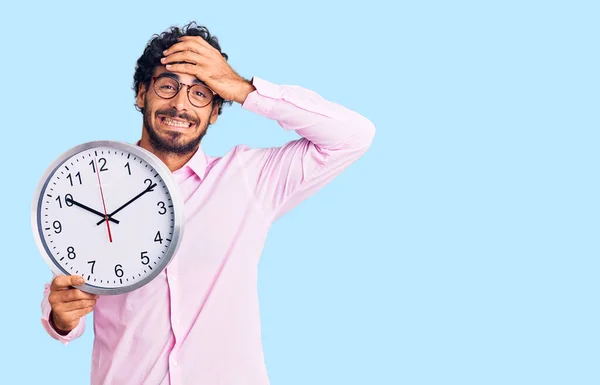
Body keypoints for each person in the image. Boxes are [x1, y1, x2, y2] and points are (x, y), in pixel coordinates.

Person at [41, 21, 375, 385]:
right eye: (167, 86)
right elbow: (66, 292)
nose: (181, 105)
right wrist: (61, 316)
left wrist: (242, 87)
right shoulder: (94, 191)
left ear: (216, 110)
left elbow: (353, 136)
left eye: (201, 93)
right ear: (141, 94)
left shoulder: (251, 179)